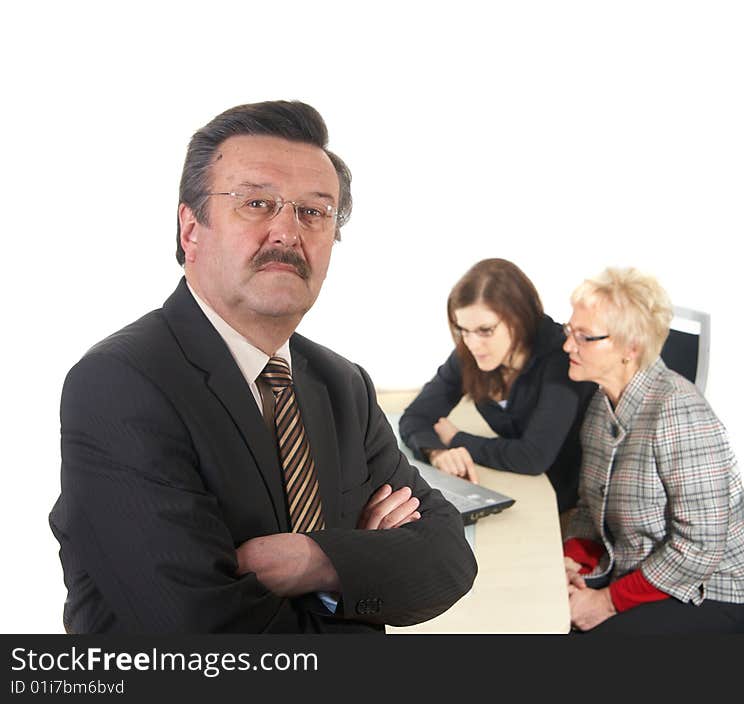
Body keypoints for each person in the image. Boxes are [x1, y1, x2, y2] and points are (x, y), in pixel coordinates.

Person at [48, 100, 477, 633]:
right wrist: (363, 568)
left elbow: (448, 557)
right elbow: (206, 635)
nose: (287, 232)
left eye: (314, 211)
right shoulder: (121, 384)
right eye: (256, 203)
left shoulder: (343, 385)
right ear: (190, 229)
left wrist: (314, 561)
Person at [561, 267, 744, 633]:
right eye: (569, 331)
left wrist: (606, 602)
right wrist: (573, 560)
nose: (567, 346)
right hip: (642, 570)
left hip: (712, 589)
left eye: (585, 337)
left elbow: (700, 547)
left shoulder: (679, 414)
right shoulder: (600, 405)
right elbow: (590, 508)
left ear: (631, 348)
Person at [399, 258, 596, 512]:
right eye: (463, 330)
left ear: (519, 318)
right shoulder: (470, 353)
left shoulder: (561, 356)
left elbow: (533, 456)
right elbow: (414, 417)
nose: (472, 343)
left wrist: (456, 438)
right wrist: (437, 452)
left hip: (568, 504)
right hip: (515, 487)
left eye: (485, 330)